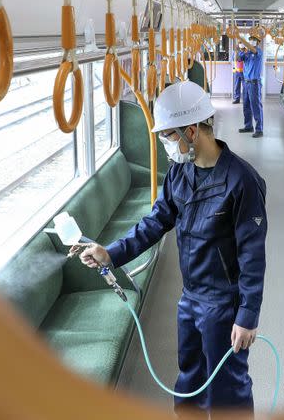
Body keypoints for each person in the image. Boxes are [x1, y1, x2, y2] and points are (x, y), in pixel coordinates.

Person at [74, 81, 267, 418]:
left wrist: (247, 315)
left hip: (224, 302)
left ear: (191, 131)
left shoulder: (242, 181)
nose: (165, 145)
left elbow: (253, 255)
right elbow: (156, 221)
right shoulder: (179, 172)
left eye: (167, 136)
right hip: (190, 297)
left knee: (227, 390)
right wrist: (111, 253)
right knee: (188, 381)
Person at [237, 35, 264, 138]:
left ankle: (259, 129)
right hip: (246, 82)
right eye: (250, 40)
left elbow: (252, 49)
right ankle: (248, 126)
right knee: (246, 106)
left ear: (257, 42)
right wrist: (240, 48)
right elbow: (239, 59)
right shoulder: (247, 52)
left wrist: (241, 38)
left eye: (253, 40)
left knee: (256, 107)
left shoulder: (258, 52)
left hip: (254, 83)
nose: (251, 41)